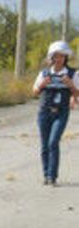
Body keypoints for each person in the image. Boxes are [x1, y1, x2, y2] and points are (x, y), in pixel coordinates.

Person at [32, 40, 77, 185]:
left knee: (53, 142)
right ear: (52, 57)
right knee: (44, 145)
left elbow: (77, 94)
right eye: (57, 56)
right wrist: (41, 85)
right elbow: (35, 92)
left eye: (62, 56)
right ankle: (46, 175)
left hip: (61, 112)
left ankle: (52, 176)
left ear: (66, 58)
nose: (59, 59)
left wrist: (71, 86)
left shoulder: (73, 74)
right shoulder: (44, 73)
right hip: (44, 112)